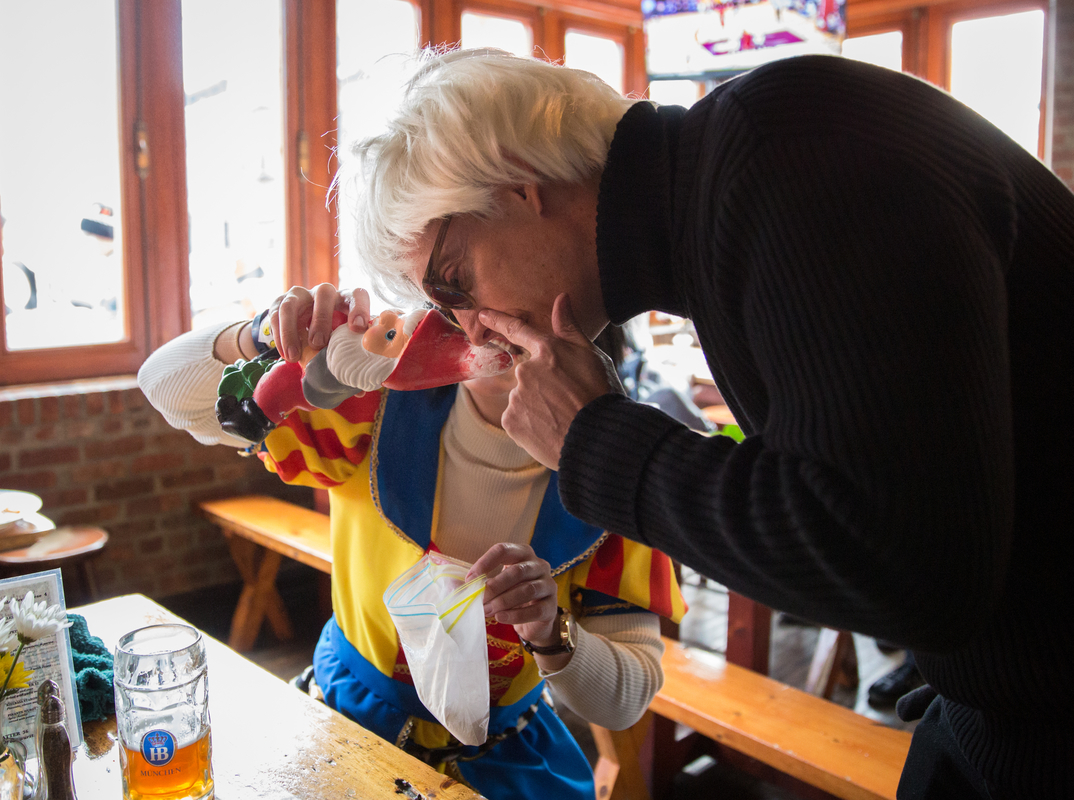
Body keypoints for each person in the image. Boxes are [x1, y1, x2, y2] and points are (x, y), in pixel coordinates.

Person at [338, 48, 1074, 798]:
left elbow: (907, 563)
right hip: (1034, 698)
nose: (469, 328)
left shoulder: (787, 146)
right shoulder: (732, 189)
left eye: (452, 284)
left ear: (517, 184)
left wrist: (596, 441)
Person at [138, 297, 686, 799]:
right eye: (469, 291)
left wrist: (550, 632)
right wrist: (260, 333)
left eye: (531, 299)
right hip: (343, 728)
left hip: (508, 758)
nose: (492, 324)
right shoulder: (367, 402)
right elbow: (164, 387)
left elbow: (627, 700)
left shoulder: (620, 475)